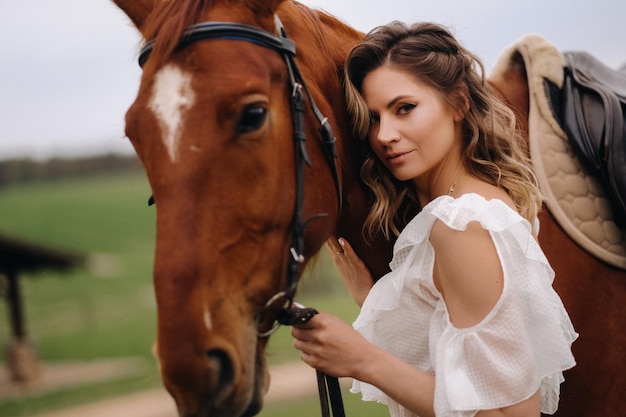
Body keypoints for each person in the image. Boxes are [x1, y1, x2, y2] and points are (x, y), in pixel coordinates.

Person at [291, 21, 577, 417]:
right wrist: (375, 299)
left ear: (458, 103)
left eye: (404, 108)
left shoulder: (463, 224)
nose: (385, 134)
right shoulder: (467, 207)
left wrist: (361, 359)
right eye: (373, 118)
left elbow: (511, 413)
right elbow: (450, 367)